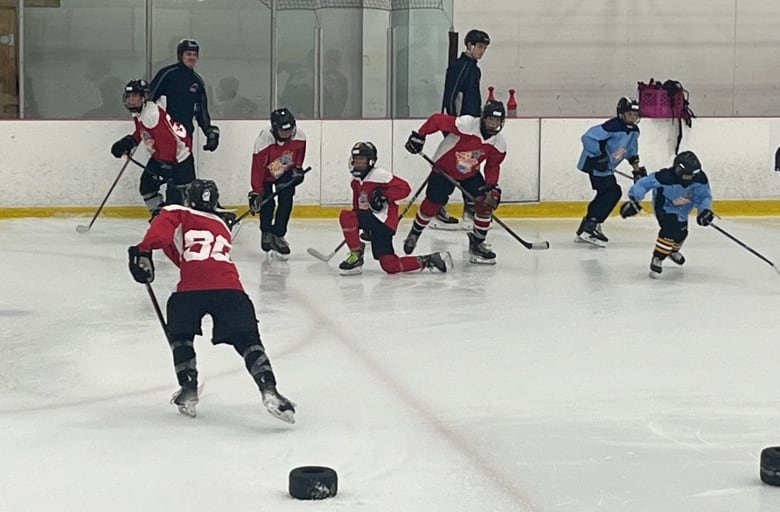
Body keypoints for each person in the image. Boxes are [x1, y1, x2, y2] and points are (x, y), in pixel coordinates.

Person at [126, 179, 296, 423]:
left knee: (181, 337)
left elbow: (162, 238)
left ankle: (188, 389)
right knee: (249, 341)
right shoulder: (223, 224)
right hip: (229, 288)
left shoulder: (177, 211)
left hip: (190, 290)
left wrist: (143, 250)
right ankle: (269, 390)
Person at [402, 99, 507, 265]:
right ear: (483, 118)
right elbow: (437, 120)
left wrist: (492, 186)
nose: (493, 124)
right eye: (490, 120)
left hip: (469, 173)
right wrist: (419, 135)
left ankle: (477, 244)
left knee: (485, 203)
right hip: (444, 169)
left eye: (497, 121)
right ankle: (415, 233)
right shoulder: (466, 124)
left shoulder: (499, 144)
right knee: (432, 204)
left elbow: (492, 167)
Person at [337, 141, 452, 276]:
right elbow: (357, 206)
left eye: (361, 159)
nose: (357, 163)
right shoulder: (355, 180)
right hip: (375, 222)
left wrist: (385, 195)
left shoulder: (379, 174)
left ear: (371, 161)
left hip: (384, 220)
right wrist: (361, 227)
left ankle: (356, 255)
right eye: (356, 159)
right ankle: (430, 260)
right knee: (390, 265)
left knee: (346, 215)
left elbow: (405, 188)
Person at [619, 150, 714, 278]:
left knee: (682, 233)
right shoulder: (664, 177)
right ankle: (658, 257)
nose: (691, 178)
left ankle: (672, 251)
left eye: (693, 175)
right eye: (688, 175)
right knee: (669, 229)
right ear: (679, 170)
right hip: (664, 208)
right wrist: (634, 199)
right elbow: (643, 183)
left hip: (682, 211)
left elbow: (704, 196)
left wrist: (704, 210)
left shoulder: (699, 179)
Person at [110, 79, 195, 216]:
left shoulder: (151, 114)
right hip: (160, 157)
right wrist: (129, 141)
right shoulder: (139, 112)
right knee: (147, 186)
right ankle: (159, 215)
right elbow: (142, 132)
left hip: (179, 159)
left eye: (135, 96)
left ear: (144, 97)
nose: (131, 100)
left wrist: (167, 165)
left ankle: (195, 221)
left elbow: (169, 141)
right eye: (129, 96)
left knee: (178, 198)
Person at [435, 28, 491, 231]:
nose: (482, 51)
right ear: (469, 45)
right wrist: (456, 125)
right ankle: (440, 208)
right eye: (479, 46)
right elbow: (452, 98)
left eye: (485, 47)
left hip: (470, 126)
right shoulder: (460, 67)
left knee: (465, 166)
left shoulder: (472, 68)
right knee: (456, 167)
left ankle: (464, 209)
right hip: (460, 127)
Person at [575, 96, 645, 247]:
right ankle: (590, 226)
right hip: (595, 165)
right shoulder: (612, 126)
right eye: (629, 114)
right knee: (611, 193)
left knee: (607, 193)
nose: (632, 118)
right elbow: (588, 138)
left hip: (607, 168)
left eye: (635, 115)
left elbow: (631, 151)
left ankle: (588, 225)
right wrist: (599, 156)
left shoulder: (634, 131)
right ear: (621, 114)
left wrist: (637, 171)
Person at [248, 107, 307, 259]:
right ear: (275, 129)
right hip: (265, 172)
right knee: (267, 203)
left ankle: (278, 234)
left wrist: (297, 170)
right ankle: (266, 231)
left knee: (286, 200)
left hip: (284, 167)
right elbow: (257, 169)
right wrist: (256, 192)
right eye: (282, 131)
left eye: (289, 130)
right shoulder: (263, 140)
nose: (287, 134)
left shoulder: (300, 136)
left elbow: (299, 156)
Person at [149, 38, 220, 152]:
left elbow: (201, 111)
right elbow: (149, 99)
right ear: (180, 55)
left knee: (185, 168)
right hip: (165, 132)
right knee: (164, 166)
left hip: (186, 134)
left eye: (195, 54)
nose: (192, 57)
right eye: (188, 54)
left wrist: (209, 132)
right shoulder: (167, 74)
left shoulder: (197, 82)